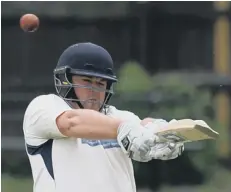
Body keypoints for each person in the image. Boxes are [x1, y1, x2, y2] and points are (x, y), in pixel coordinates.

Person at [23, 42, 184, 192]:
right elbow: (71, 123)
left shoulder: (115, 116)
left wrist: (161, 132)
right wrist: (123, 129)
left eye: (101, 83)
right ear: (65, 80)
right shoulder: (44, 107)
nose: (94, 90)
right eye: (86, 81)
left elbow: (141, 125)